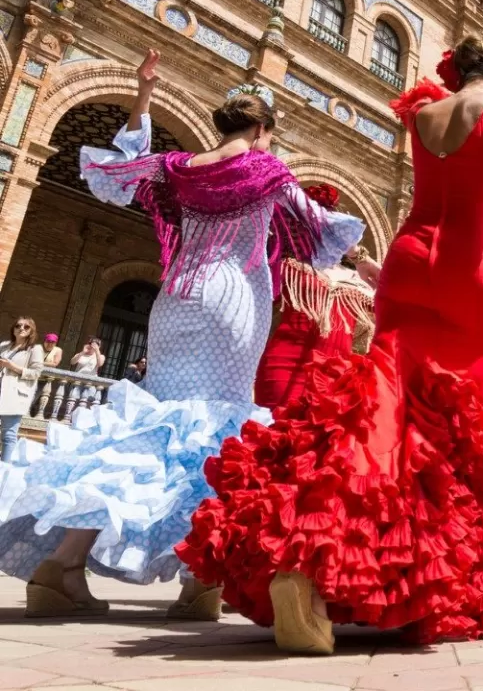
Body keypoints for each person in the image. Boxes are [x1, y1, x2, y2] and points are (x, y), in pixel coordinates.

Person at [179, 36, 483, 654]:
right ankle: (415, 576)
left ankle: (307, 560)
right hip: (473, 270)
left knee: (379, 408)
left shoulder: (424, 112)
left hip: (409, 259)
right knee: (458, 429)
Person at [0, 49, 364, 621]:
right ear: (262, 130)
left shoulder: (179, 168)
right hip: (233, 302)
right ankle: (199, 583)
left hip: (175, 300)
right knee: (218, 433)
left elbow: (123, 167)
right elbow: (317, 231)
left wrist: (145, 94)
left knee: (148, 426)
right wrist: (365, 266)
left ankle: (62, 566)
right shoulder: (269, 170)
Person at [253, 183, 379, 413]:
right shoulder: (287, 265)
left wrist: (362, 258)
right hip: (282, 366)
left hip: (334, 380)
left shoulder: (360, 281)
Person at [0, 318, 44, 463]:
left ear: (32, 331)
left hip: (14, 394)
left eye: (26, 327)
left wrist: (11, 366)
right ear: (13, 329)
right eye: (18, 325)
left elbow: (36, 373)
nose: (21, 328)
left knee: (8, 435)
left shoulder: (35, 349)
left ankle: (3, 469)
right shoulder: (4, 346)